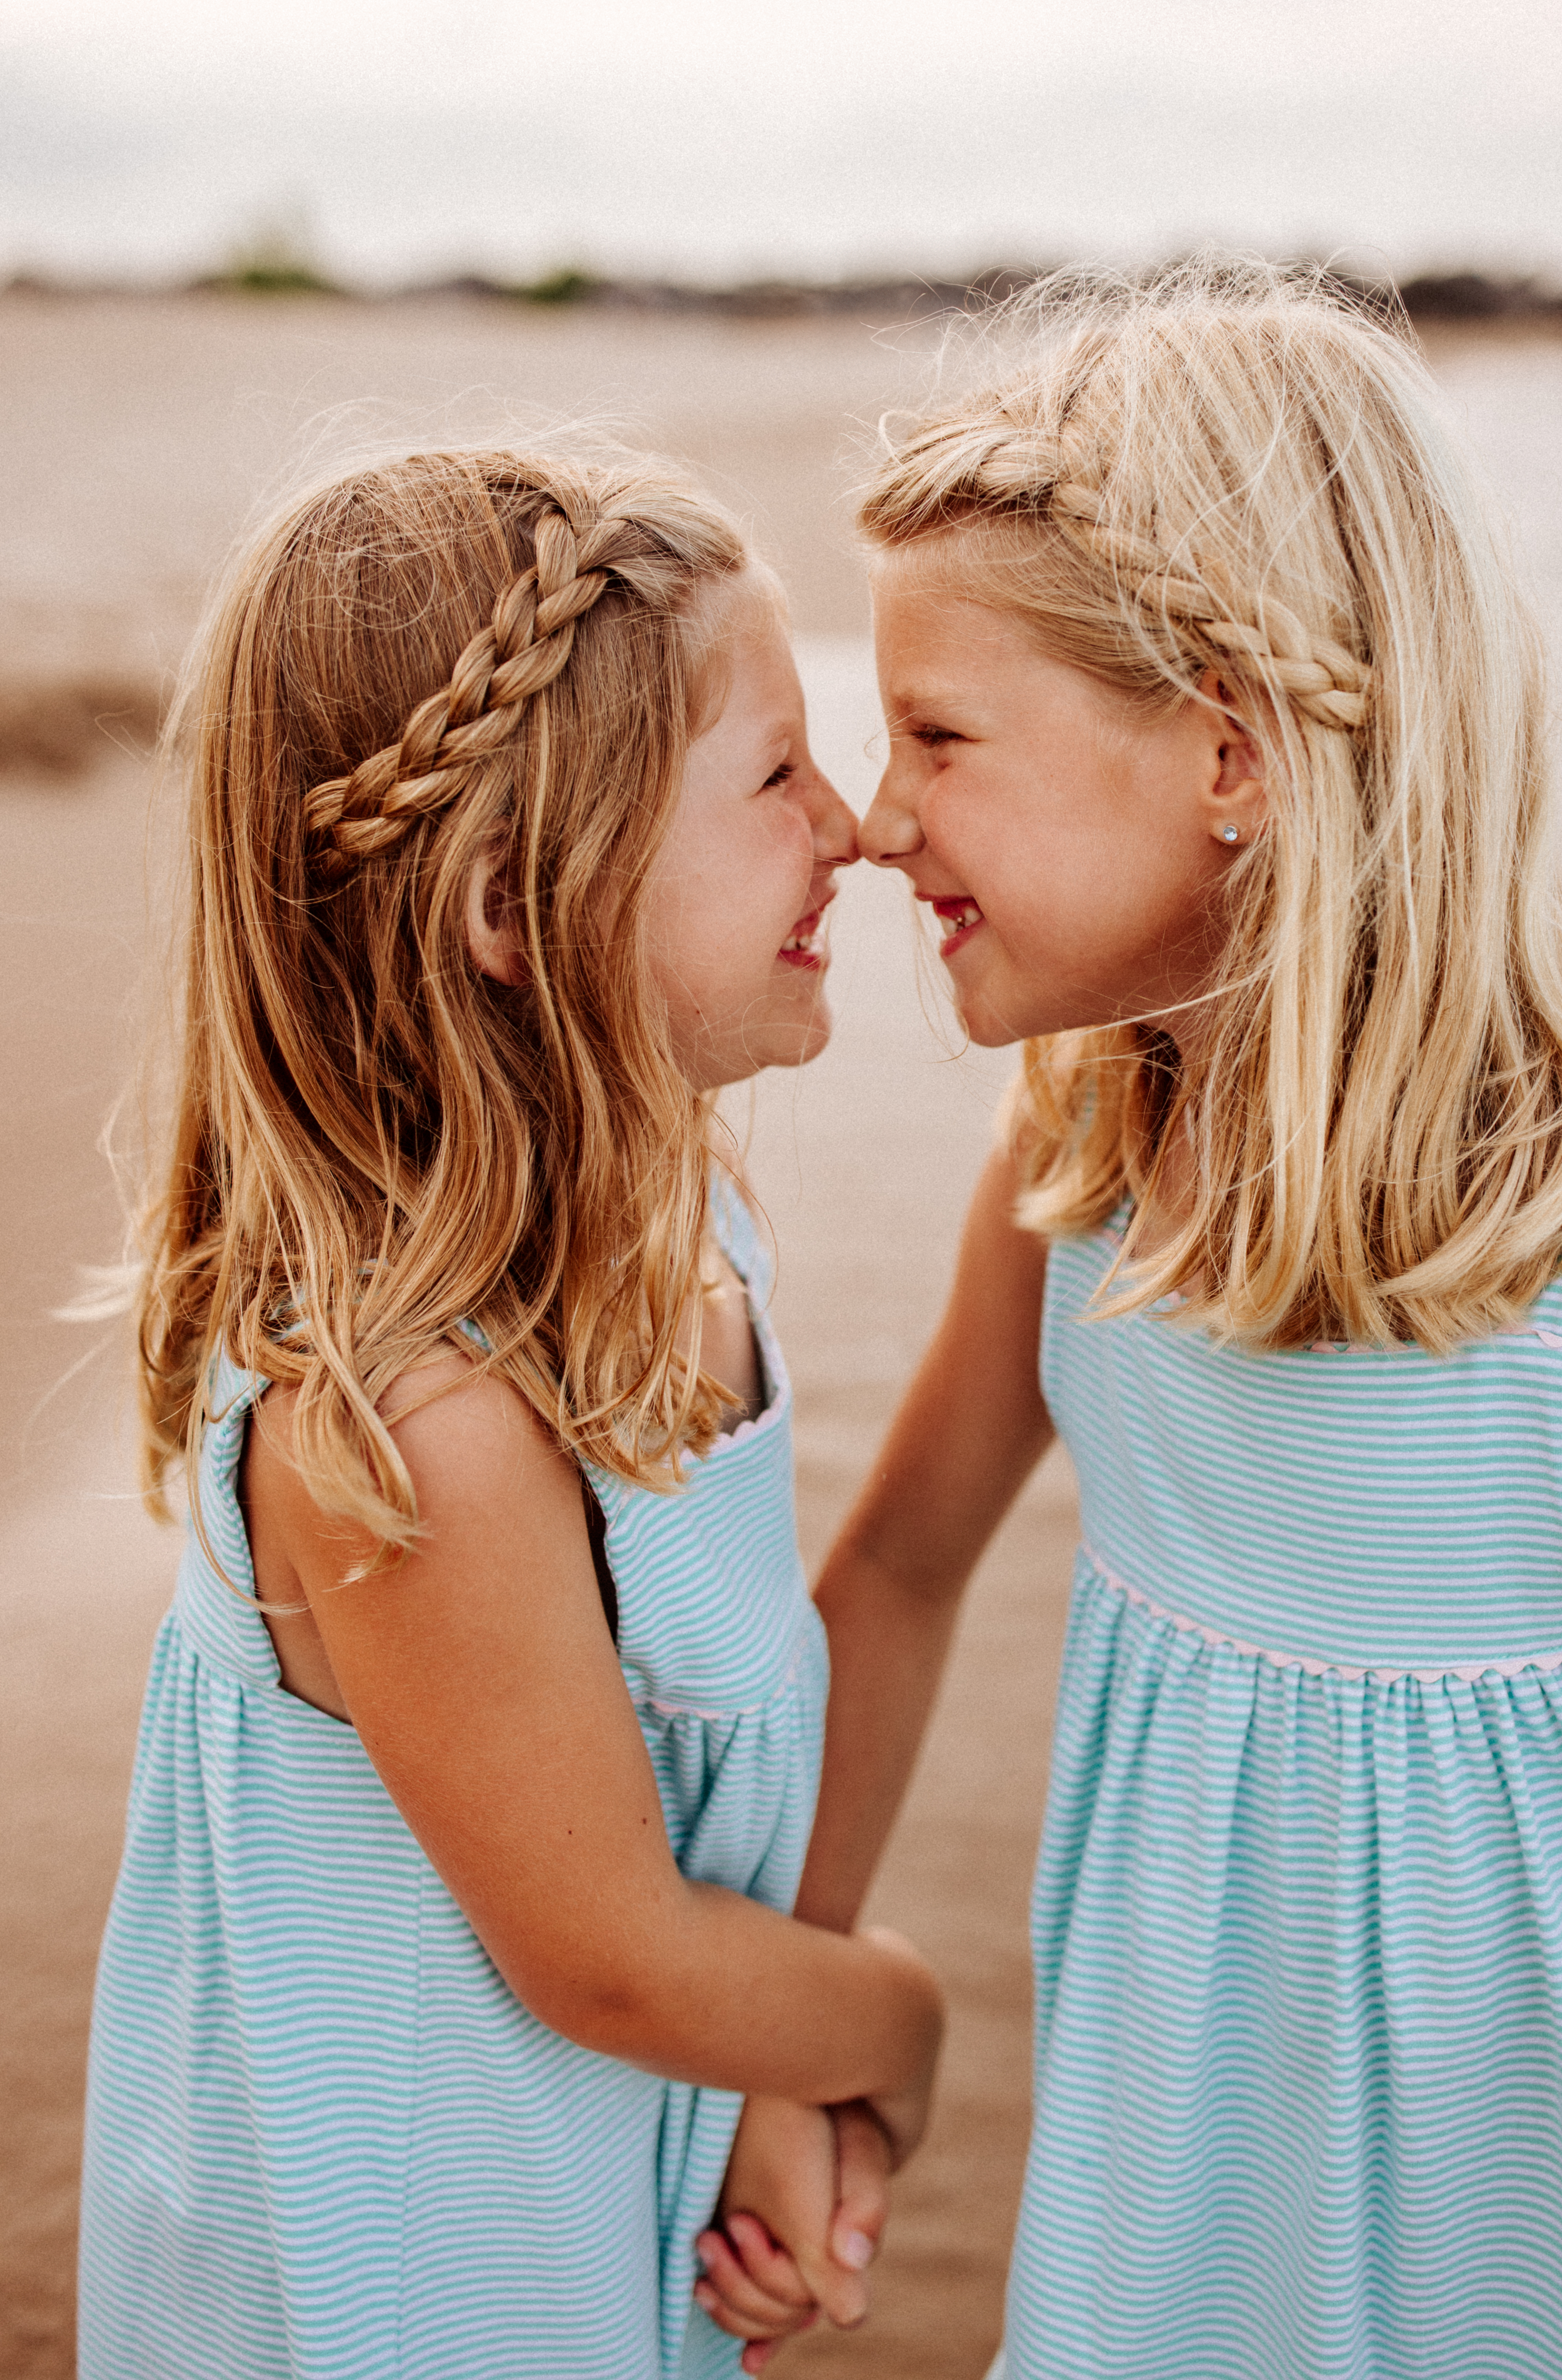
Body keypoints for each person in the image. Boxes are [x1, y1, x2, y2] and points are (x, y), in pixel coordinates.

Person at [698, 261, 1562, 2376]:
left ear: (1230, 755)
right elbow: (890, 1571)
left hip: (1542, 2253)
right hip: (1169, 2211)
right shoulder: (1084, 1140)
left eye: (944, 737)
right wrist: (778, 2043)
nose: (881, 822)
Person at [78, 448, 943, 2380]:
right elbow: (612, 1949)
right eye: (775, 777)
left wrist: (756, 2091)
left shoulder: (675, 1232)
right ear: (507, 905)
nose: (859, 827)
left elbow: (662, 1851)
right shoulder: (417, 1427)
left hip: (603, 2163)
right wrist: (883, 2031)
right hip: (410, 2265)